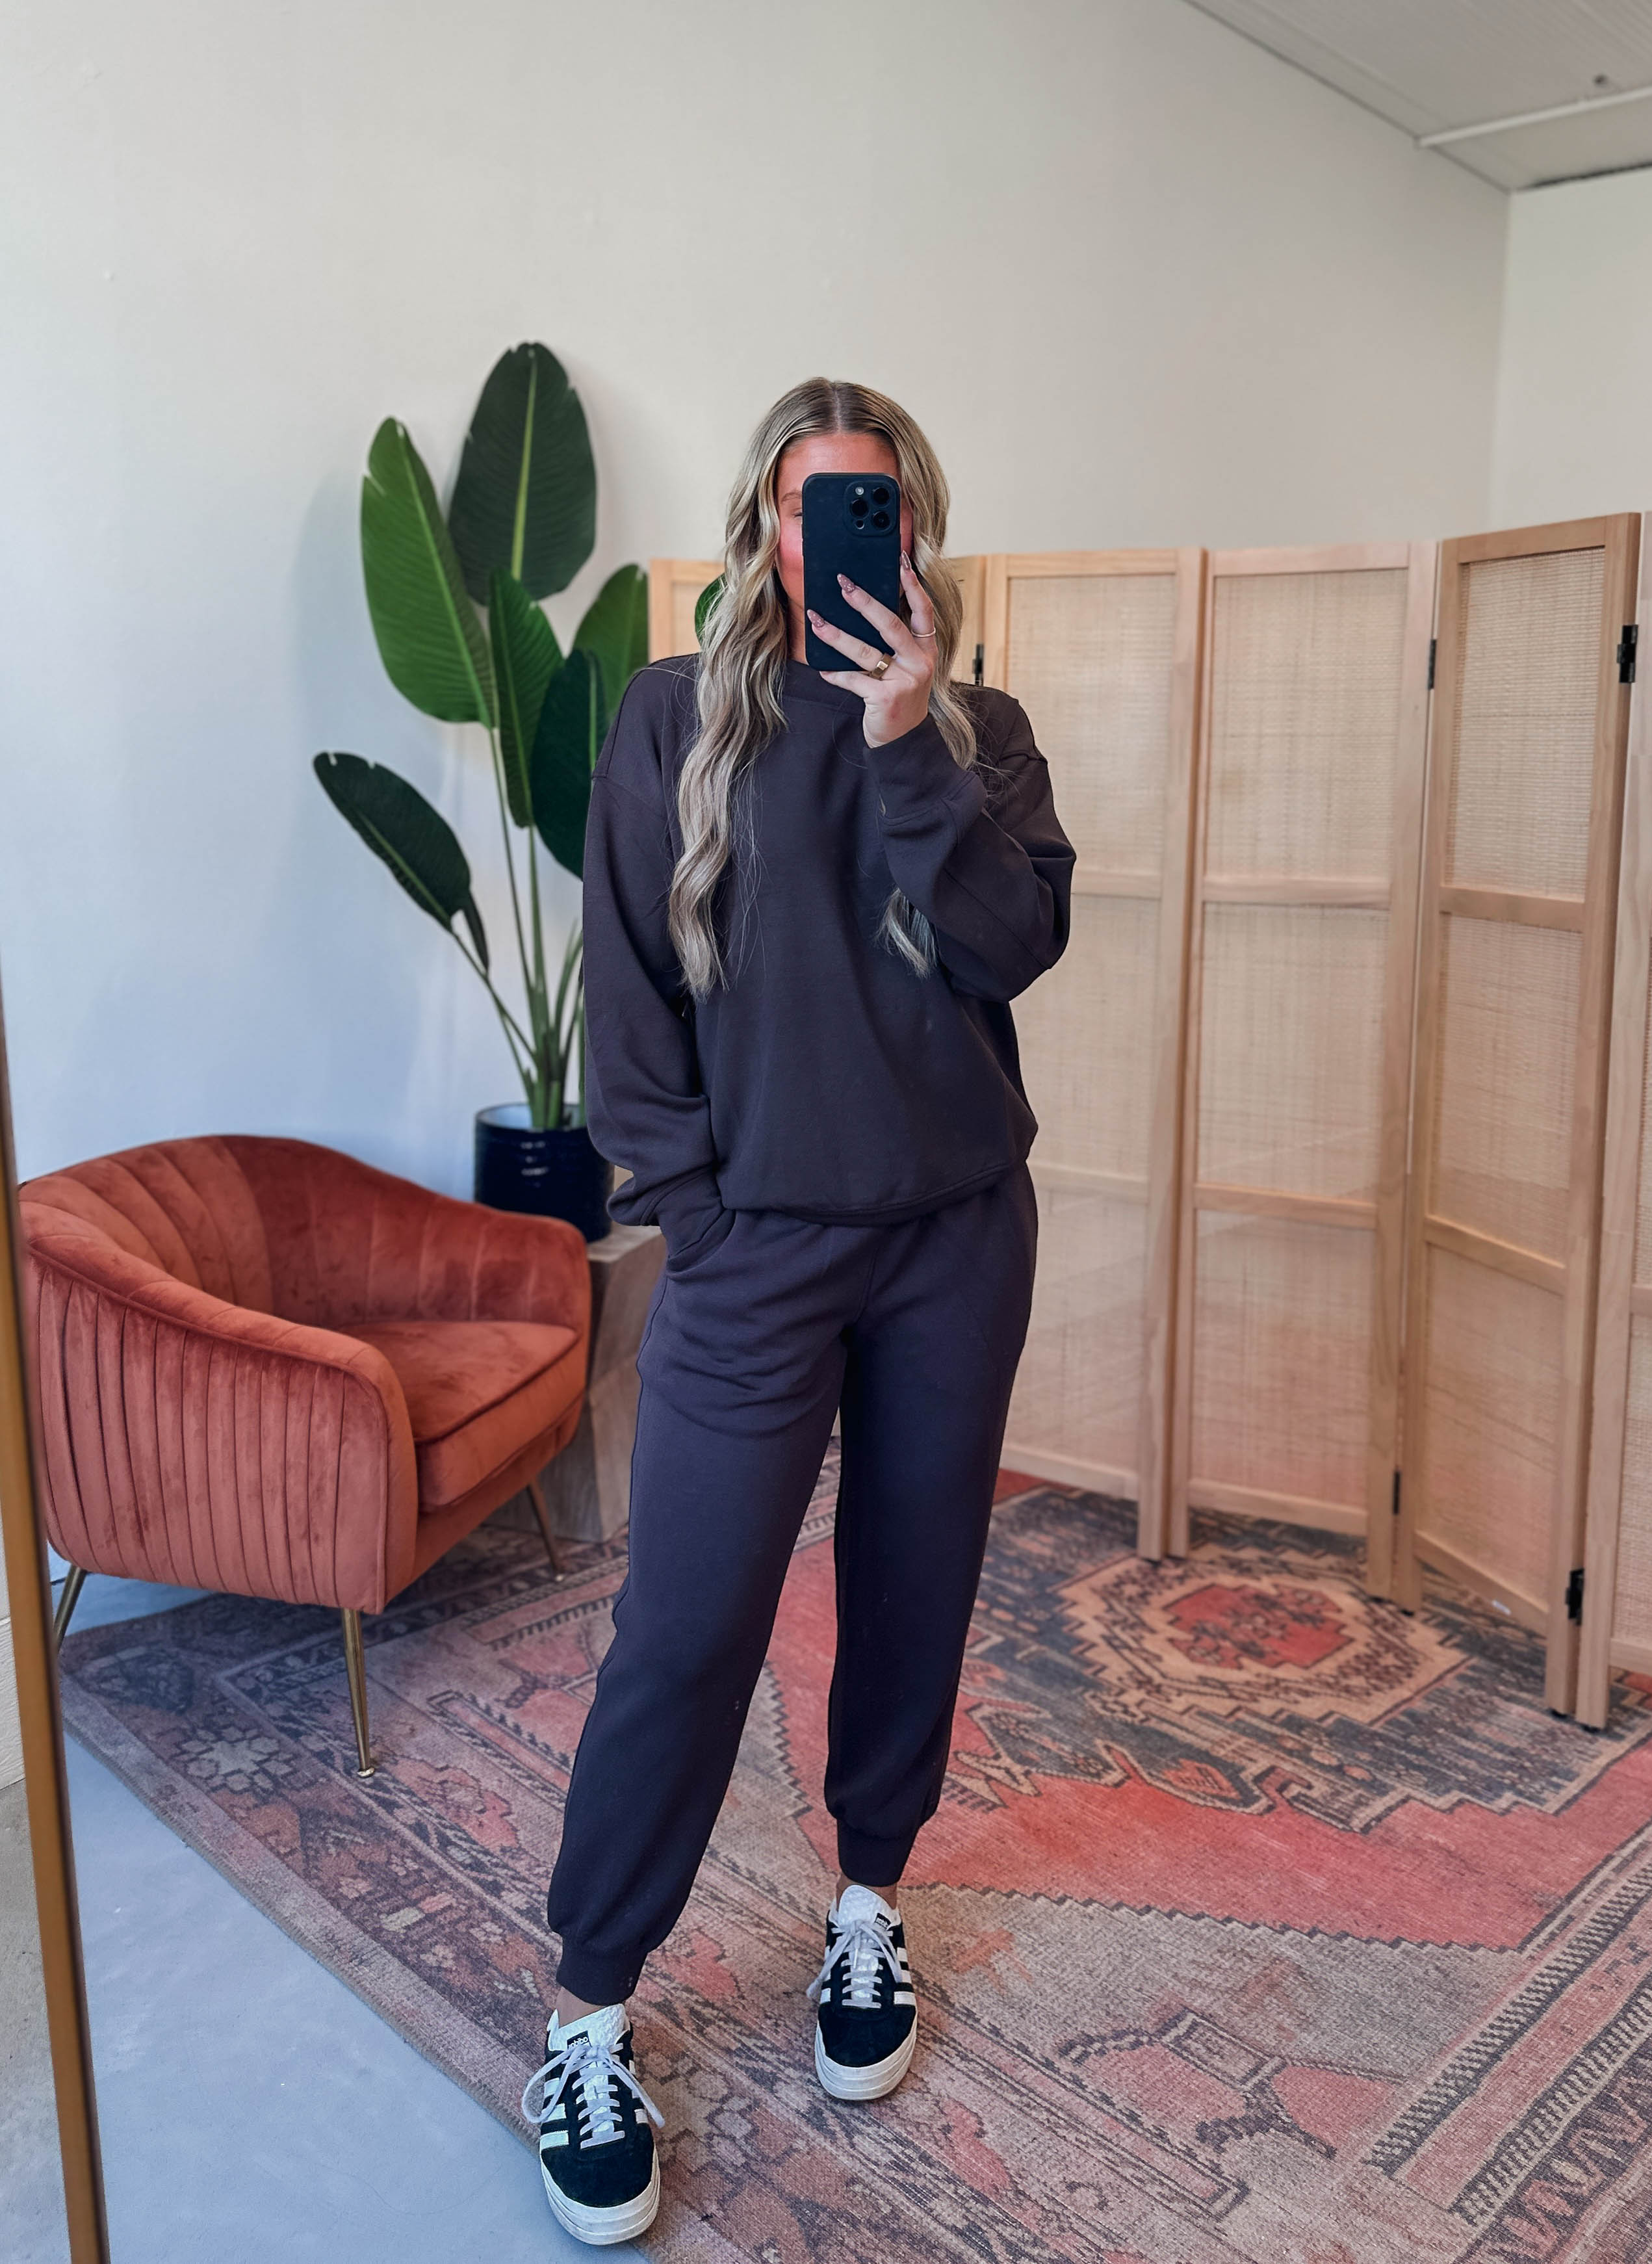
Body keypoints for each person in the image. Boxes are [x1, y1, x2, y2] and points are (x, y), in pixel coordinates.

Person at [520, 377, 1076, 2245]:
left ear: (916, 526)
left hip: (952, 1244)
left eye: (875, 504)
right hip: (756, 1255)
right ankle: (588, 2009)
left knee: (915, 1591)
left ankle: (865, 1906)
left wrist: (909, 740)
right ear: (765, 524)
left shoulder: (984, 735)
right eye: (806, 501)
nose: (838, 534)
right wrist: (697, 1213)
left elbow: (1011, 947)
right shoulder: (672, 719)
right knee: (683, 1630)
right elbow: (628, 994)